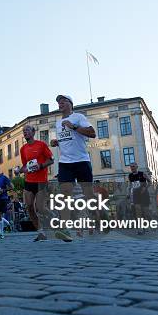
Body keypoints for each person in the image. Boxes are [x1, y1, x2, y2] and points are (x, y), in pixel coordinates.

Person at [50, 94, 96, 241]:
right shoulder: (58, 123)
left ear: (70, 103)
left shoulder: (78, 117)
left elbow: (92, 133)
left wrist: (74, 126)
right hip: (65, 163)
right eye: (58, 102)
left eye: (63, 101)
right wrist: (58, 141)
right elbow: (68, 138)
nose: (60, 104)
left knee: (89, 195)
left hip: (82, 161)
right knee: (65, 193)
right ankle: (64, 229)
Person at [18, 124, 54, 241]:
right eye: (23, 131)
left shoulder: (41, 145)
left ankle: (55, 220)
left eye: (27, 130)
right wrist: (19, 171)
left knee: (41, 207)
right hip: (29, 181)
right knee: (29, 207)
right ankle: (41, 232)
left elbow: (51, 160)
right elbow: (25, 166)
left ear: (33, 132)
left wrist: (41, 166)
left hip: (41, 181)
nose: (25, 132)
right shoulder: (23, 149)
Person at [128, 163, 151, 235]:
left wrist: (145, 188)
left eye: (133, 166)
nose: (132, 168)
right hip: (136, 195)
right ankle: (140, 228)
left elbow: (150, 182)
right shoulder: (130, 176)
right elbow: (131, 185)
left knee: (145, 212)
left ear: (137, 167)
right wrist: (129, 194)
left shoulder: (142, 174)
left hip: (144, 194)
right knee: (138, 211)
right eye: (131, 167)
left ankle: (146, 225)